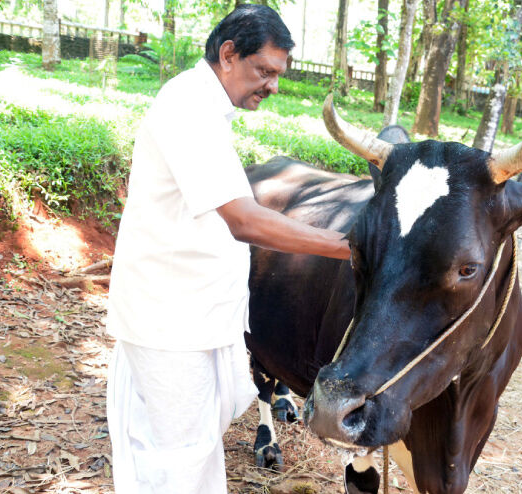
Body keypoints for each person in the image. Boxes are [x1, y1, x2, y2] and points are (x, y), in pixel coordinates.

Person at [105, 5, 350, 493]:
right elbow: (242, 219)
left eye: (278, 75)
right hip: (171, 319)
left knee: (189, 449)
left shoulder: (203, 106)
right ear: (228, 54)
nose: (273, 86)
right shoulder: (188, 110)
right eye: (265, 71)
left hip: (191, 312)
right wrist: (349, 247)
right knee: (181, 455)